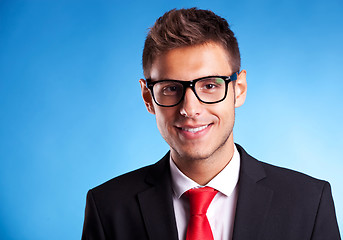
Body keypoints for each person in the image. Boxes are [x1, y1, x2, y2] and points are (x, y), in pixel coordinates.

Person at [81, 8, 340, 240]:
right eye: (171, 88)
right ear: (148, 98)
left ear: (239, 89)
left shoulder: (308, 202)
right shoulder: (108, 208)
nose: (190, 109)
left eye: (210, 85)